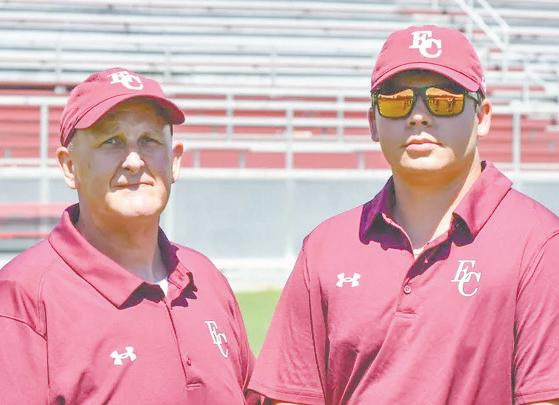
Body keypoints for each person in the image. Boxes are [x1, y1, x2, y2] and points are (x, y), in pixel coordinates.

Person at [248, 25, 559, 405]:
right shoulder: (326, 247)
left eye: (444, 100)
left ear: (482, 116)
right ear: (373, 122)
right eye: (397, 101)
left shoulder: (539, 243)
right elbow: (292, 396)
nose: (419, 116)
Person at [0, 67, 258, 404]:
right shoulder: (23, 296)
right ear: (69, 166)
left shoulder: (206, 279)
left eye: (150, 140)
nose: (134, 161)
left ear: (175, 161)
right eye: (112, 141)